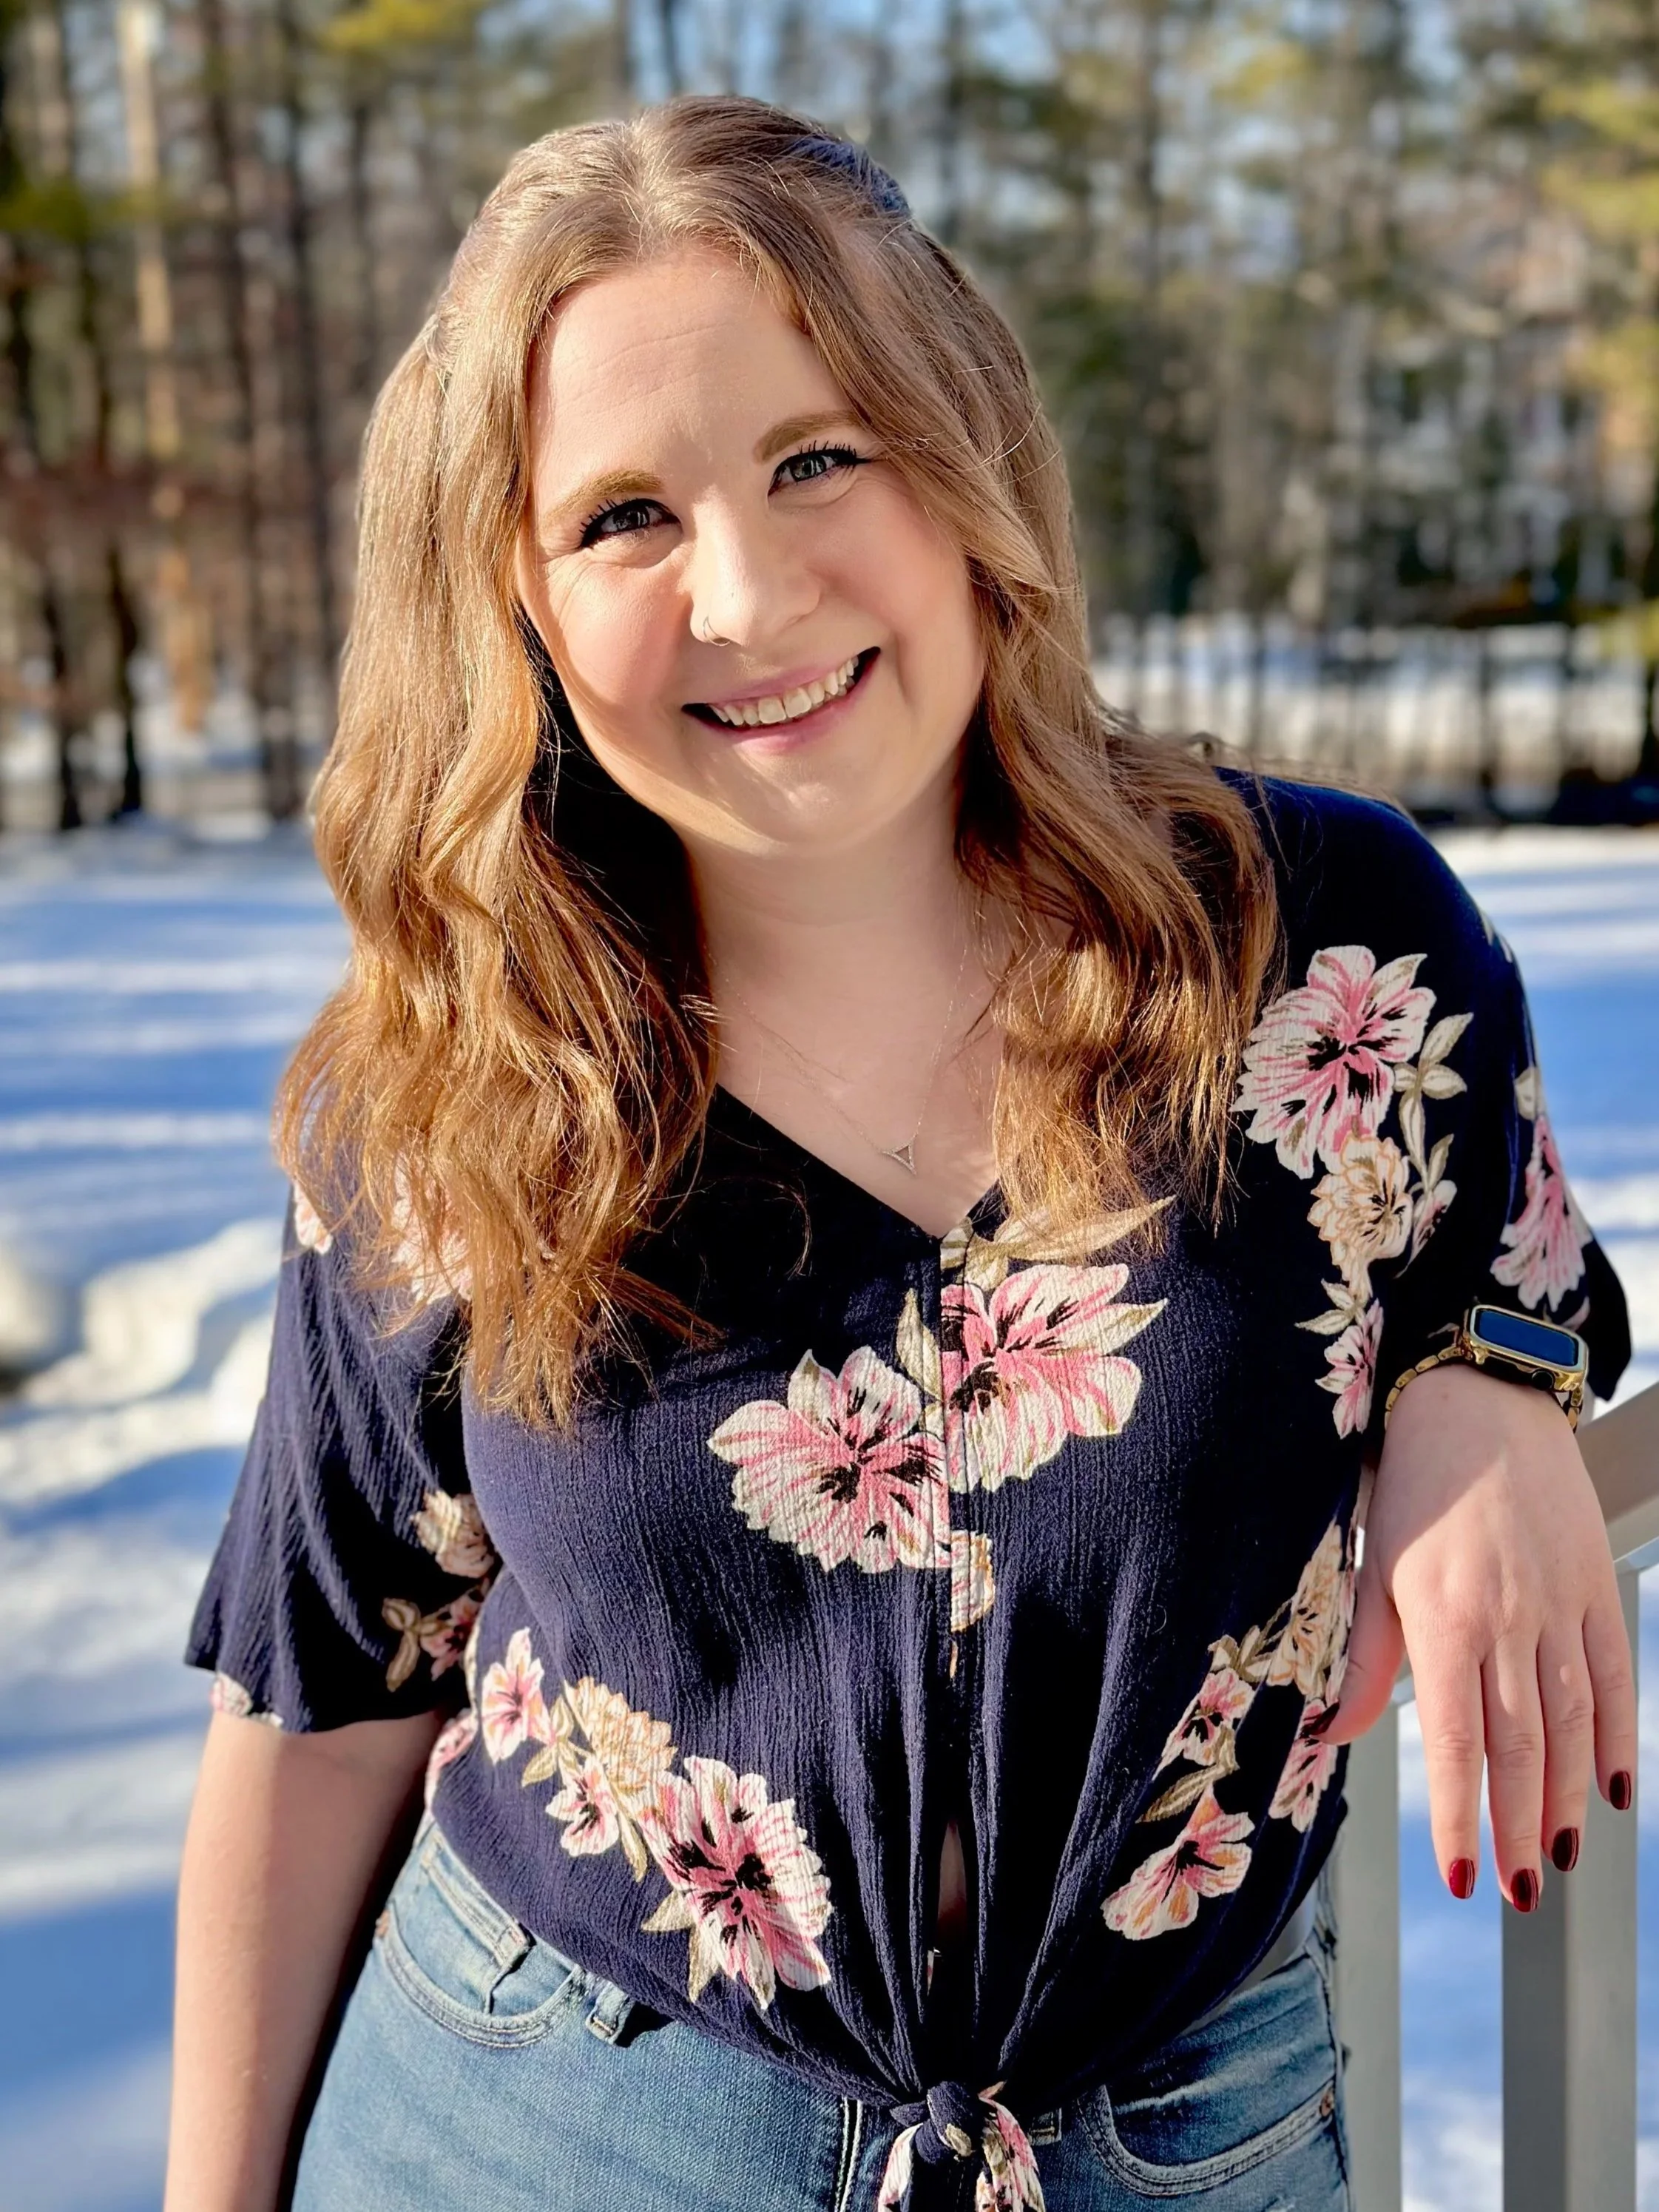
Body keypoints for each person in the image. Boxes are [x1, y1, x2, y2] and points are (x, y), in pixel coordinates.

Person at [165, 97, 1634, 2212]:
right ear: (518, 602)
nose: (750, 591)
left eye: (818, 454)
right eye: (622, 517)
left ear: (963, 467)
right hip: (554, 2124)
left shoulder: (1319, 948)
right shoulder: (459, 1079)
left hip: (1182, 2142)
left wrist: (1481, 1382)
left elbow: (1504, 1257)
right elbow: (327, 1702)